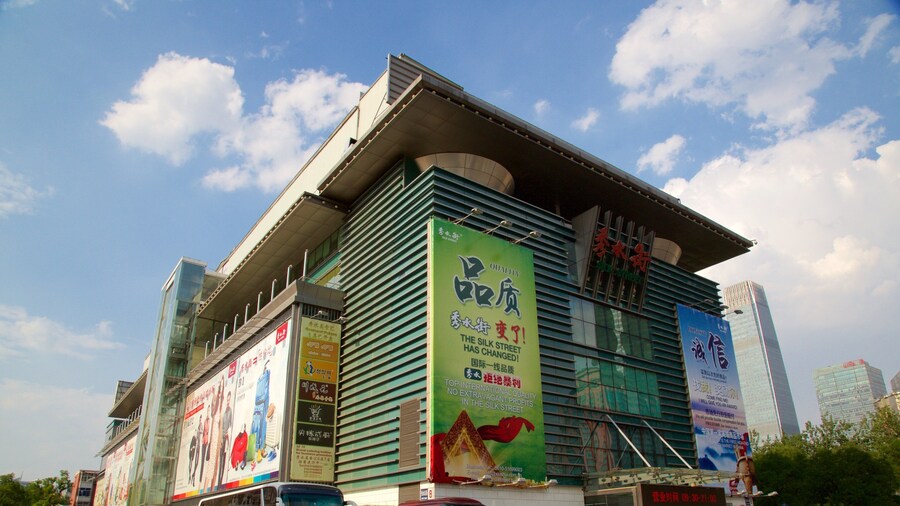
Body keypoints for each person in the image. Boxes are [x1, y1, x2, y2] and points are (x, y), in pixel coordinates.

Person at [217, 391, 233, 485]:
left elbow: (230, 424)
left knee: (223, 459)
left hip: (225, 438)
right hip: (221, 438)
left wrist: (228, 434)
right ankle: (219, 481)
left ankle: (220, 481)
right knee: (220, 459)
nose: (228, 401)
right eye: (227, 399)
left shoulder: (230, 411)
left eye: (229, 399)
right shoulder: (224, 411)